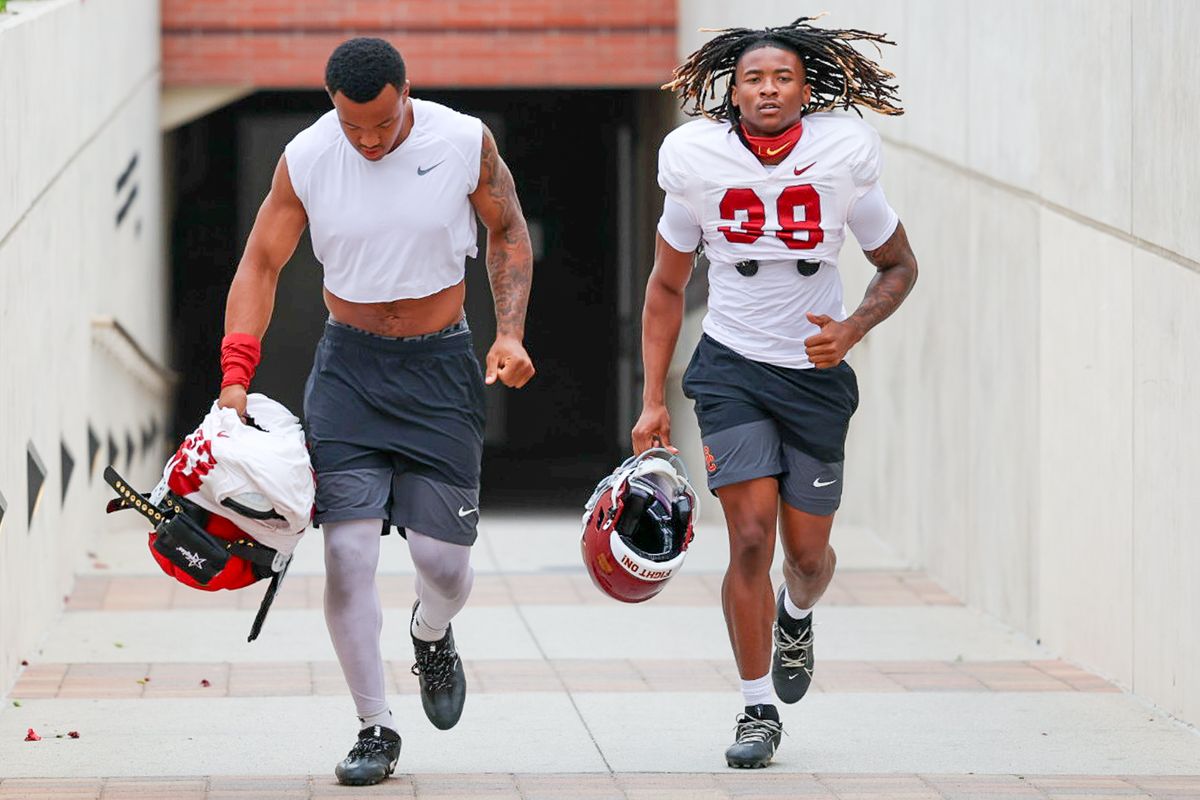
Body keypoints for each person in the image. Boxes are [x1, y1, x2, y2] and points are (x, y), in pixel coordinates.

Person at [216, 37, 534, 786]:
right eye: (352, 124)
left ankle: (432, 631)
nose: (367, 140)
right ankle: (374, 727)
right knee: (349, 555)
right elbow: (261, 262)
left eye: (383, 124)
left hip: (440, 369)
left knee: (442, 565)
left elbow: (508, 229)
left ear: (407, 93)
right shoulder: (307, 156)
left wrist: (510, 333)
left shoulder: (462, 141)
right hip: (349, 373)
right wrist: (235, 374)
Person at [632, 17, 917, 768]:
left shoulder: (841, 157)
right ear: (733, 90)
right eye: (754, 78)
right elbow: (666, 286)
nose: (767, 89)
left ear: (804, 89)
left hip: (815, 378)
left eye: (782, 78)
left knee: (808, 558)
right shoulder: (697, 160)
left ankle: (796, 611)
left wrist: (851, 329)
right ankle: (757, 708)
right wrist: (653, 399)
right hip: (732, 369)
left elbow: (898, 265)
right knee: (751, 537)